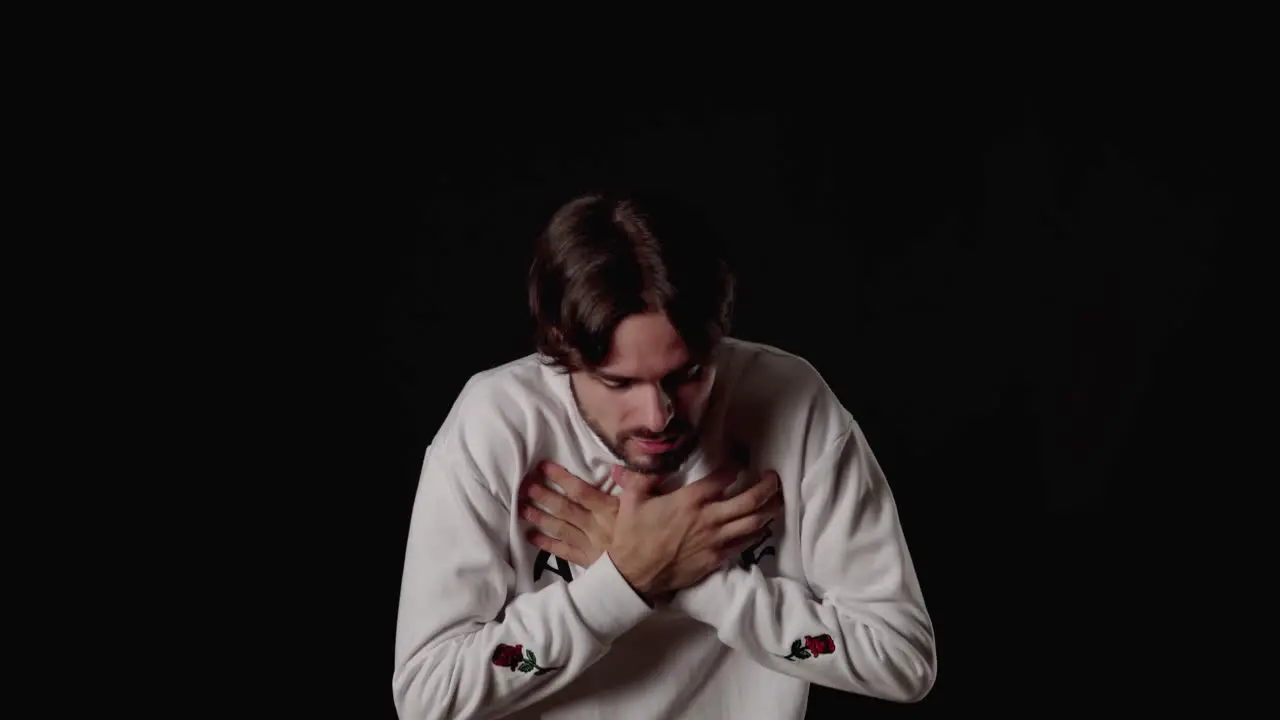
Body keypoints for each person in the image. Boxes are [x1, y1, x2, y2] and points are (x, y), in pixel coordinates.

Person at [392, 191, 936, 719]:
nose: (658, 416)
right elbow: (430, 694)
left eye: (687, 375)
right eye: (618, 382)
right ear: (560, 348)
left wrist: (696, 581)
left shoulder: (793, 403)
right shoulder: (494, 426)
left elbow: (900, 658)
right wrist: (621, 581)